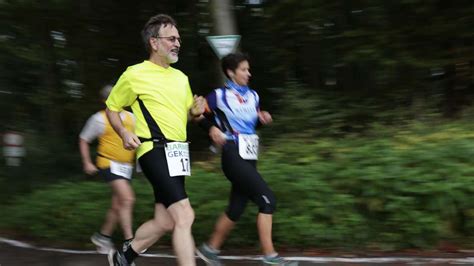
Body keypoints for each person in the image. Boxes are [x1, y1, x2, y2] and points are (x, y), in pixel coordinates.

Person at [105, 14, 206, 266]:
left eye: (179, 39)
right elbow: (112, 108)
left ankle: (123, 258)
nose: (177, 43)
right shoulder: (134, 74)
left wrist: (196, 111)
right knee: (184, 215)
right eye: (171, 38)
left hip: (178, 154)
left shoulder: (181, 78)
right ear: (154, 42)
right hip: (153, 149)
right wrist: (124, 132)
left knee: (165, 221)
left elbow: (187, 114)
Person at [196, 52, 296, 265]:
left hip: (250, 156)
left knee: (236, 208)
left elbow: (251, 125)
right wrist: (211, 128)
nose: (248, 73)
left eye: (248, 69)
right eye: (243, 69)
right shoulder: (218, 96)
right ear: (231, 73)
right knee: (268, 200)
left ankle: (210, 249)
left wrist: (262, 120)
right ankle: (270, 256)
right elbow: (197, 114)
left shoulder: (254, 96)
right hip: (232, 155)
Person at [79, 84, 136, 254]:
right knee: (127, 199)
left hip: (126, 167)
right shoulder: (98, 118)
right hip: (108, 163)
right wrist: (87, 162)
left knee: (118, 204)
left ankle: (103, 236)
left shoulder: (132, 117)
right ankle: (129, 243)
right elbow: (83, 139)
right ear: (105, 101)